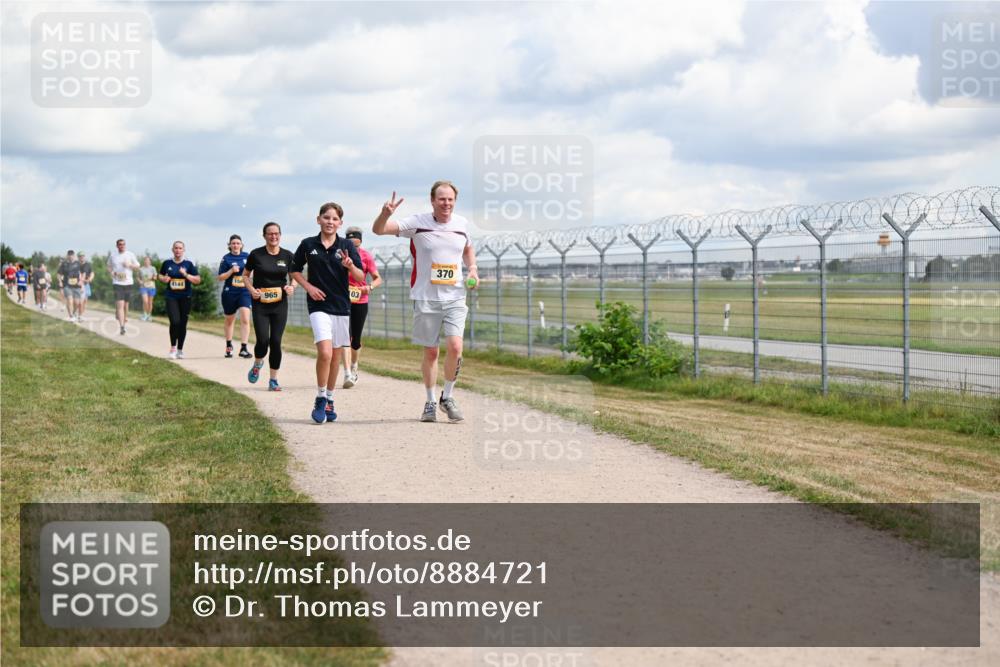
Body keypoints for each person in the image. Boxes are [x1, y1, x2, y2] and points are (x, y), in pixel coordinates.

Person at [372, 181, 479, 423]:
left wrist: (472, 269)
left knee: (455, 347)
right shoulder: (418, 223)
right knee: (431, 352)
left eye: (450, 199)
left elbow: (468, 248)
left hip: (455, 296)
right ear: (432, 201)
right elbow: (379, 230)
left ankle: (447, 397)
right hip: (426, 298)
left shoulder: (461, 224)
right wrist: (385, 214)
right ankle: (430, 401)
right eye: (441, 199)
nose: (446, 203)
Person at [290, 202, 365, 423]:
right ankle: (321, 397)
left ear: (340, 223)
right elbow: (294, 270)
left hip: (341, 306)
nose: (330, 222)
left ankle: (330, 398)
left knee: (336, 356)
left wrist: (350, 266)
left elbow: (361, 277)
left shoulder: (346, 246)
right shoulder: (308, 244)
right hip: (318, 306)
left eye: (334, 219)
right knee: (325, 352)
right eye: (326, 218)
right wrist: (309, 287)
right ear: (318, 219)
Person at [245, 222, 296, 391]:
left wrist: (292, 286)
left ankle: (273, 380)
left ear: (280, 235)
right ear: (264, 236)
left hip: (280, 304)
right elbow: (245, 276)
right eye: (270, 234)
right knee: (263, 340)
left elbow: (294, 276)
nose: (273, 236)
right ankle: (258, 363)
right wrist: (252, 290)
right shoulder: (256, 255)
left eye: (276, 233)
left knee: (275, 341)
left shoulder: (288, 255)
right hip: (260, 304)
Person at [340, 226, 382, 388]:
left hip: (360, 300)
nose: (353, 247)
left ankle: (354, 366)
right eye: (350, 244)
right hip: (342, 301)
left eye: (356, 245)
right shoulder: (339, 255)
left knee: (355, 340)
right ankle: (347, 374)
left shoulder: (366, 256)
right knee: (345, 337)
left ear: (360, 243)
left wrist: (369, 287)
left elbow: (378, 278)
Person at [158, 241, 201, 359]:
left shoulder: (189, 264)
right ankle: (173, 347)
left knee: (183, 324)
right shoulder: (167, 263)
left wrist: (186, 275)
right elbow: (160, 275)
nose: (178, 250)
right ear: (172, 250)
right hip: (171, 297)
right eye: (176, 248)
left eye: (180, 248)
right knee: (175, 321)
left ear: (183, 250)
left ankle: (180, 350)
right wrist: (164, 279)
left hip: (185, 297)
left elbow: (197, 280)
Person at [217, 235, 252, 359]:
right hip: (229, 292)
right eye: (233, 243)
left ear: (241, 245)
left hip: (244, 291)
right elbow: (220, 277)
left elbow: (254, 270)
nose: (236, 245)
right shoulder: (226, 259)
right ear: (230, 245)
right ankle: (229, 345)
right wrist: (231, 270)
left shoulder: (247, 256)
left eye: (238, 243)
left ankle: (244, 348)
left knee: (245, 318)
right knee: (229, 320)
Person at [108, 239, 140, 335]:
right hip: (117, 283)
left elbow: (138, 266)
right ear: (117, 246)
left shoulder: (130, 254)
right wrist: (112, 272)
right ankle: (122, 327)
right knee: (121, 304)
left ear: (125, 245)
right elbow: (109, 266)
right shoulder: (113, 255)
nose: (122, 246)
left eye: (123, 244)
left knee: (126, 305)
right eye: (120, 245)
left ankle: (120, 313)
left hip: (128, 283)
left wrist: (129, 265)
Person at [57, 250, 84, 321]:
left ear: (74, 256)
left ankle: (74, 313)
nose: (70, 256)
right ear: (67, 256)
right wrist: (60, 281)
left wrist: (81, 281)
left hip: (76, 285)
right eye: (69, 255)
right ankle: (71, 316)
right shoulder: (64, 264)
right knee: (70, 300)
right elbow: (59, 274)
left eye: (72, 255)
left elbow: (82, 273)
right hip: (67, 285)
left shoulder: (78, 263)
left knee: (77, 302)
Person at [138, 256, 157, 321]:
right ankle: (145, 314)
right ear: (144, 261)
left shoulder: (153, 268)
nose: (146, 261)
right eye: (145, 260)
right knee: (145, 301)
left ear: (150, 261)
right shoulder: (141, 269)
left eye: (148, 260)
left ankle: (149, 315)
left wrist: (153, 278)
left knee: (150, 302)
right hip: (143, 287)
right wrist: (140, 281)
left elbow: (155, 277)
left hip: (151, 287)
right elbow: (138, 277)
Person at [78, 253, 94, 319]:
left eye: (83, 256)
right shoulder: (77, 265)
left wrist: (90, 279)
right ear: (78, 257)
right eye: (80, 256)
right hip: (79, 284)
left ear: (84, 257)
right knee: (80, 301)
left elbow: (92, 273)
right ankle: (79, 315)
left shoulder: (88, 265)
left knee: (85, 301)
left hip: (86, 284)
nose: (82, 257)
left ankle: (81, 314)